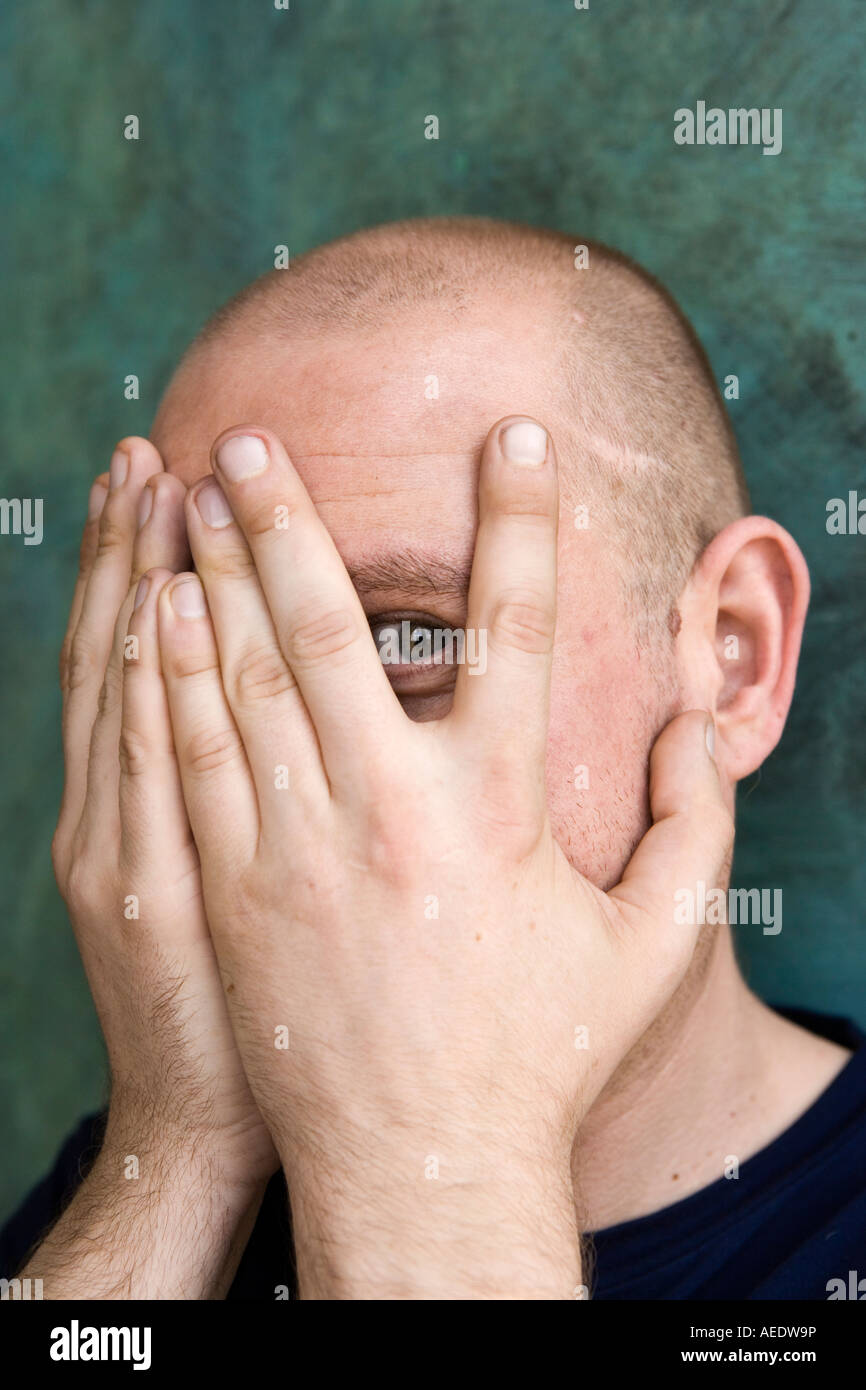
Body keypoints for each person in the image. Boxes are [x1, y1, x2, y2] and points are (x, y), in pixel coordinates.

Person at [2, 218, 863, 1300]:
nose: (278, 781)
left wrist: (432, 1156)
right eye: (193, 653)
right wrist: (178, 1149)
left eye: (410, 639)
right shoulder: (116, 1208)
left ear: (731, 657)